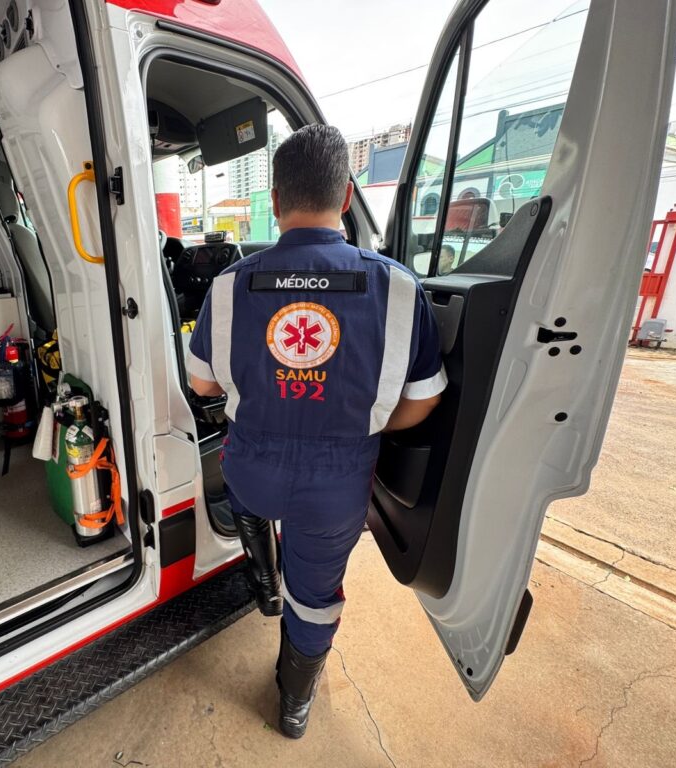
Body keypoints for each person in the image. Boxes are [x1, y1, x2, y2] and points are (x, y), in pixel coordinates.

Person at [186, 124, 446, 739]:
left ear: (274, 202)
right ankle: (294, 705)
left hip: (251, 467)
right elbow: (424, 401)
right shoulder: (400, 288)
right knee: (318, 595)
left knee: (243, 492)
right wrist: (364, 426)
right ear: (348, 196)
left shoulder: (227, 288)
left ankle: (261, 581)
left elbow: (202, 387)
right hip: (337, 487)